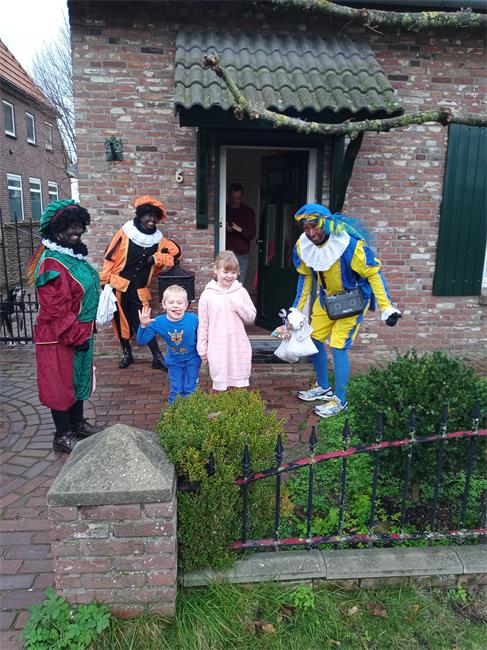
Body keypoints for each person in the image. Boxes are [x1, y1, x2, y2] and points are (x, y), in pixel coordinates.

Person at [292, 204, 401, 418]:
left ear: (325, 223)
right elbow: (305, 278)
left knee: (338, 345)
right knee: (313, 339)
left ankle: (340, 399)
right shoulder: (303, 246)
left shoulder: (348, 244)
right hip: (326, 299)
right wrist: (296, 309)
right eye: (306, 228)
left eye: (315, 226)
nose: (311, 233)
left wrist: (386, 306)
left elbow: (373, 274)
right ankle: (323, 386)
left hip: (352, 300)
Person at [28, 200, 102, 453]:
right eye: (70, 226)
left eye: (79, 225)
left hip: (80, 332)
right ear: (56, 229)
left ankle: (77, 424)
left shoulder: (72, 257)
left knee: (78, 379)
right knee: (60, 384)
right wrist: (75, 336)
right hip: (59, 336)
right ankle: (62, 435)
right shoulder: (52, 263)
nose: (77, 231)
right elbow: (55, 309)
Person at [100, 195, 180, 370]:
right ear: (141, 215)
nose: (152, 220)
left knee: (144, 322)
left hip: (139, 289)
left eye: (155, 216)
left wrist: (157, 258)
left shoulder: (159, 240)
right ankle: (127, 353)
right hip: (118, 286)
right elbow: (110, 257)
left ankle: (157, 357)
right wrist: (104, 281)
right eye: (148, 215)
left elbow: (175, 253)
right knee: (120, 321)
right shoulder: (125, 233)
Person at [197, 250, 256, 391]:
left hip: (238, 345)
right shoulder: (207, 295)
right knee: (219, 386)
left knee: (239, 385)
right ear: (216, 270)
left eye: (233, 272)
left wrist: (239, 305)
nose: (230, 276)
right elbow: (203, 324)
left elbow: (251, 317)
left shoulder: (241, 292)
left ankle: (238, 405)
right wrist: (202, 349)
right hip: (217, 346)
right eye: (225, 272)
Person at [136, 285, 200, 403]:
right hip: (174, 360)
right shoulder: (158, 322)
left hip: (192, 359)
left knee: (190, 388)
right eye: (171, 302)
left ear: (186, 305)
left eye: (179, 303)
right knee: (176, 389)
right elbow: (142, 340)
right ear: (164, 305)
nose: (175, 305)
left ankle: (190, 411)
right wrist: (143, 325)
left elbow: (204, 335)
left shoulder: (193, 319)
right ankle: (173, 411)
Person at [225, 183, 256, 284]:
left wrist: (240, 230)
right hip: (225, 253)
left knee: (239, 283)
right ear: (228, 195)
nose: (234, 201)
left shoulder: (248, 212)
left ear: (242, 197)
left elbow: (252, 234)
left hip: (242, 254)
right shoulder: (223, 209)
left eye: (237, 198)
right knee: (225, 282)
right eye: (232, 198)